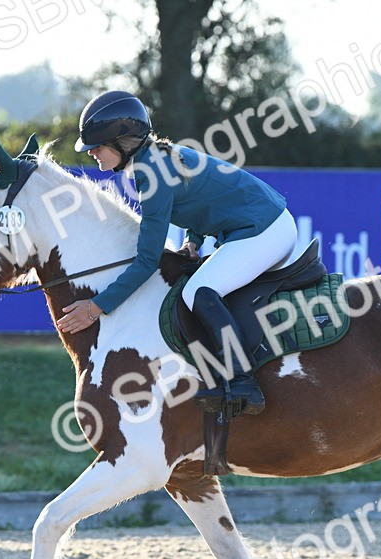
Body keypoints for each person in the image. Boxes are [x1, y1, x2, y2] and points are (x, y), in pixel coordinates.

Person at [55, 90, 298, 416]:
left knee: (200, 291)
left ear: (123, 141)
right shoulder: (154, 157)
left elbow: (147, 260)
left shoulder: (150, 171)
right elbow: (205, 200)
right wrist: (194, 242)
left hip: (265, 230)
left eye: (97, 146)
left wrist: (97, 307)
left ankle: (243, 380)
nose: (92, 153)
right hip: (261, 224)